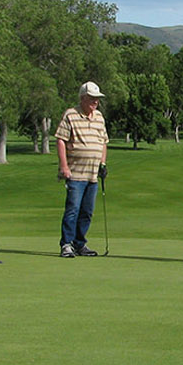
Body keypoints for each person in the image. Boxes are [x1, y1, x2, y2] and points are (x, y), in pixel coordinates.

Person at [54, 82, 109, 258]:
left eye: (97, 99)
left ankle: (80, 243)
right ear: (83, 97)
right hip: (75, 172)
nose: (95, 102)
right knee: (73, 209)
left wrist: (103, 163)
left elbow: (103, 142)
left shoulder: (99, 117)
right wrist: (63, 166)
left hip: (93, 173)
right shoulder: (71, 114)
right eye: (92, 98)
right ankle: (67, 244)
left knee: (87, 211)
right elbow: (61, 139)